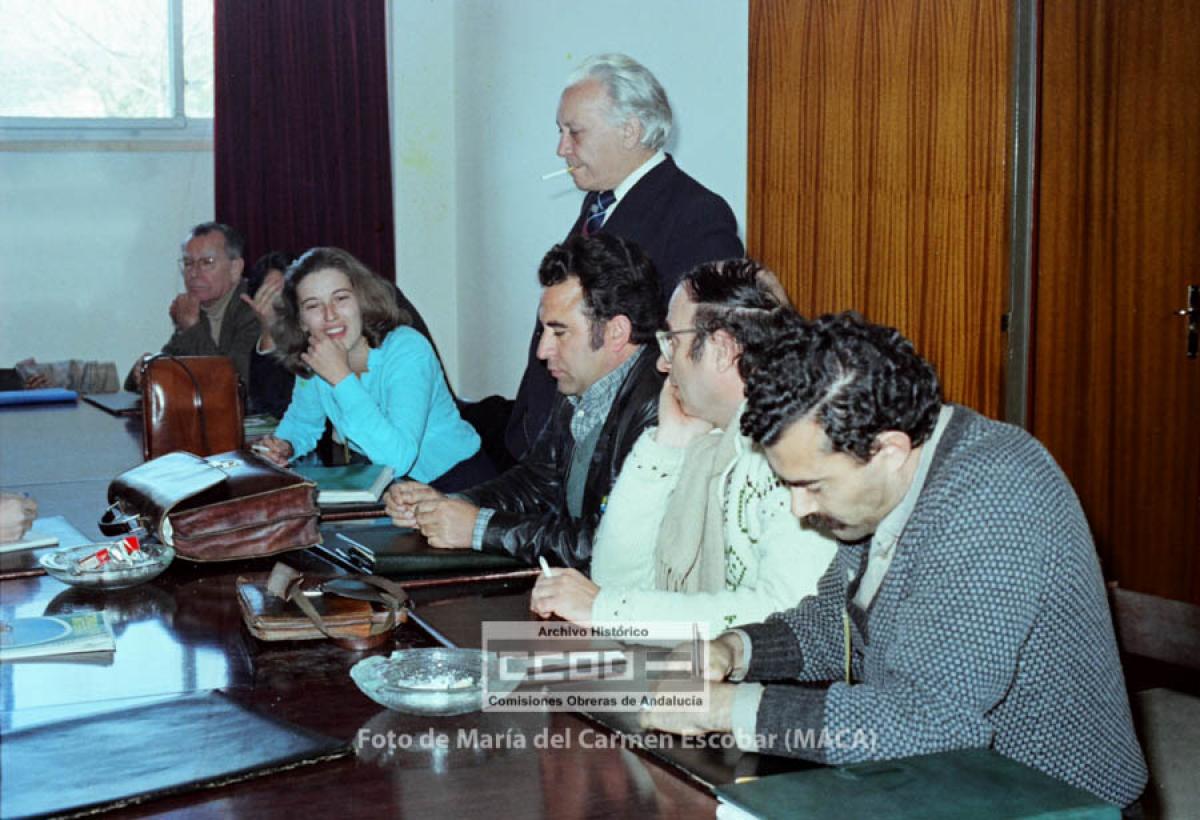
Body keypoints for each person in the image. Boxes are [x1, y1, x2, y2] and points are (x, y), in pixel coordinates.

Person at [641, 311, 1148, 809]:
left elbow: (932, 723)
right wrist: (736, 649)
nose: (800, 509)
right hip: (943, 782)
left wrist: (728, 710)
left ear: (888, 449)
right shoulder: (888, 485)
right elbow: (836, 626)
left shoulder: (995, 496)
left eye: (812, 485)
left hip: (1055, 800)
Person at [529, 260, 836, 637]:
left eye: (672, 341)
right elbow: (615, 578)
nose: (661, 362)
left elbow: (786, 614)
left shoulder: (795, 447)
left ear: (722, 350)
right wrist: (665, 446)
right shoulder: (710, 440)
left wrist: (608, 610)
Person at [504, 53, 744, 464]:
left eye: (574, 132)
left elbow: (692, 350)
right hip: (551, 444)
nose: (561, 148)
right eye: (560, 131)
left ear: (630, 131)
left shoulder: (696, 213)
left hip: (616, 453)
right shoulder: (600, 205)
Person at [386, 233, 664, 570]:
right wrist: (449, 505)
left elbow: (606, 546)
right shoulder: (581, 382)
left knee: (478, 625)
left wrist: (479, 528)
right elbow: (537, 481)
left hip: (626, 619)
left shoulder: (662, 410)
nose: (542, 351)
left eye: (559, 332)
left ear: (616, 332)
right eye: (543, 331)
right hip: (576, 596)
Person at [254, 247, 491, 493]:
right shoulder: (316, 353)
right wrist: (285, 445)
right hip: (390, 489)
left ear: (361, 301)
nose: (330, 315)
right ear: (301, 320)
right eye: (314, 306)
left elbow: (399, 459)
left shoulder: (407, 348)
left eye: (341, 298)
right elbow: (303, 422)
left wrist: (341, 378)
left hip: (458, 486)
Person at [124, 222, 259, 392]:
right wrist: (143, 371)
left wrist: (192, 327)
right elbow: (167, 367)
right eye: (188, 263)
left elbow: (233, 387)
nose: (193, 273)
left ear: (235, 268)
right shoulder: (195, 308)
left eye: (206, 262)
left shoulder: (254, 309)